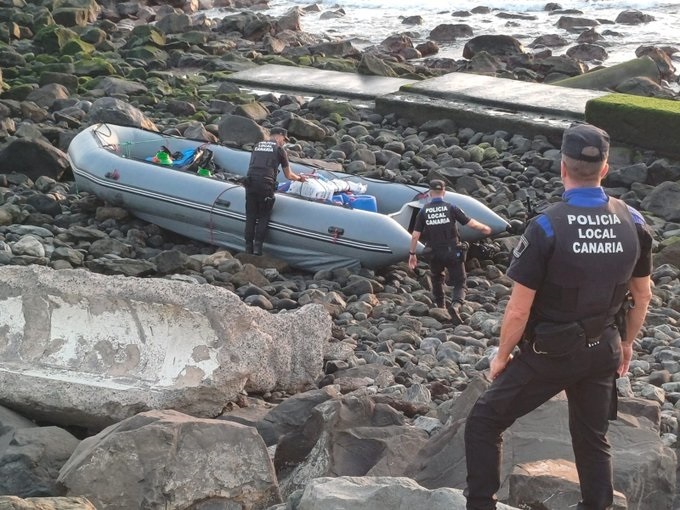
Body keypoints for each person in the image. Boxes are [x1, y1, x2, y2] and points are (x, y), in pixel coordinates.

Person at [464, 123, 654, 510]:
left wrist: (502, 356)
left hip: (552, 354)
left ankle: (480, 504)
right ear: (605, 168)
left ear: (562, 168)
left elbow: (518, 309)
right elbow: (643, 293)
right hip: (604, 347)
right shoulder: (633, 220)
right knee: (592, 436)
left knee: (484, 421)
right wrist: (628, 343)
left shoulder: (547, 226)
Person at [408, 179, 492, 323]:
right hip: (452, 251)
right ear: (444, 192)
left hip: (433, 252)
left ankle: (441, 306)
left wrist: (412, 254)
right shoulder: (451, 208)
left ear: (429, 193)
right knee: (460, 282)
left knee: (437, 279)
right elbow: (471, 223)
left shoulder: (423, 211)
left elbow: (415, 235)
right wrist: (485, 228)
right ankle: (456, 305)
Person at [244, 127, 305, 255]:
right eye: (284, 139)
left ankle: (247, 247)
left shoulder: (257, 146)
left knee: (250, 216)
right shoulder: (279, 150)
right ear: (279, 136)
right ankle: (257, 249)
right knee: (263, 216)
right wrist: (300, 178)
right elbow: (289, 175)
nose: (284, 142)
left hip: (250, 183)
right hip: (265, 185)